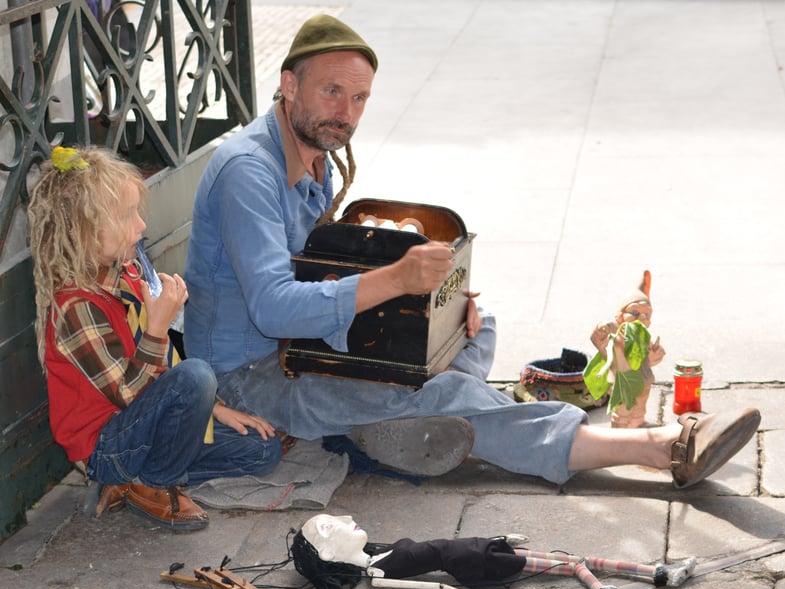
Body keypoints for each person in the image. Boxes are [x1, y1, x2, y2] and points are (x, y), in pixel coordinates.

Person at [183, 13, 760, 489]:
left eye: (360, 98)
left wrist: (429, 302)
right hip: (252, 377)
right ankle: (663, 449)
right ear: (288, 85)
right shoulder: (247, 172)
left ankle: (400, 422)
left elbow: (328, 267)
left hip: (307, 349)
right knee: (451, 388)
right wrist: (398, 281)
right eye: (332, 92)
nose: (347, 113)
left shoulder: (311, 151)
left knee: (469, 326)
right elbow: (274, 309)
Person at [27, 145, 283, 531]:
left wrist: (213, 409)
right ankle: (154, 483)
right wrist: (158, 327)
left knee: (263, 450)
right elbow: (129, 393)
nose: (142, 226)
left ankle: (138, 480)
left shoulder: (126, 269)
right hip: (108, 445)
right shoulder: (76, 307)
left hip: (147, 427)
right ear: (84, 232)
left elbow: (168, 370)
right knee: (196, 374)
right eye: (127, 217)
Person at [290, 514, 697, 589]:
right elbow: (435, 584)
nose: (346, 520)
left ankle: (660, 572)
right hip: (476, 564)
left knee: (573, 560)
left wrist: (499, 534)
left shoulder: (380, 554)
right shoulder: (378, 573)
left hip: (477, 549)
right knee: (573, 564)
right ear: (326, 556)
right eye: (331, 527)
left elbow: (441, 546)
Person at [586, 269, 666, 428]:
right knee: (623, 412)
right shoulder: (617, 334)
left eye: (647, 315)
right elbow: (599, 340)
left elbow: (649, 359)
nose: (641, 318)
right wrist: (602, 330)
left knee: (638, 410)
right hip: (622, 382)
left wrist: (655, 354)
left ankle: (638, 425)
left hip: (643, 382)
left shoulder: (643, 338)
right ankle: (621, 435)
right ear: (620, 316)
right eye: (634, 312)